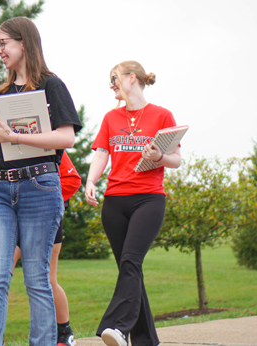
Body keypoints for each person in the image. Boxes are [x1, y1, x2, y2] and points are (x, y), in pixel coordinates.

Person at [0, 17, 82, 346]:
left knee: (37, 278)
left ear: (24, 43)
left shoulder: (52, 85)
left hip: (40, 186)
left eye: (3, 43)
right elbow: (0, 148)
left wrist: (19, 135)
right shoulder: (0, 93)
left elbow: (66, 138)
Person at [85, 61, 181, 346]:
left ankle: (116, 327)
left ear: (131, 78)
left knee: (130, 262)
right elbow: (102, 154)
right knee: (130, 270)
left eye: (114, 78)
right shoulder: (110, 118)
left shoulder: (162, 115)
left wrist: (158, 157)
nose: (111, 84)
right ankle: (146, 341)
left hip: (148, 199)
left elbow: (176, 159)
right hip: (114, 203)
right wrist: (91, 181)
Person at [0, 152, 81, 346]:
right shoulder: (2, 146)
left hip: (41, 215)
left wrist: (46, 199)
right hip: (9, 218)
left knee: (46, 278)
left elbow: (72, 179)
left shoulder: (46, 144)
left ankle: (64, 332)